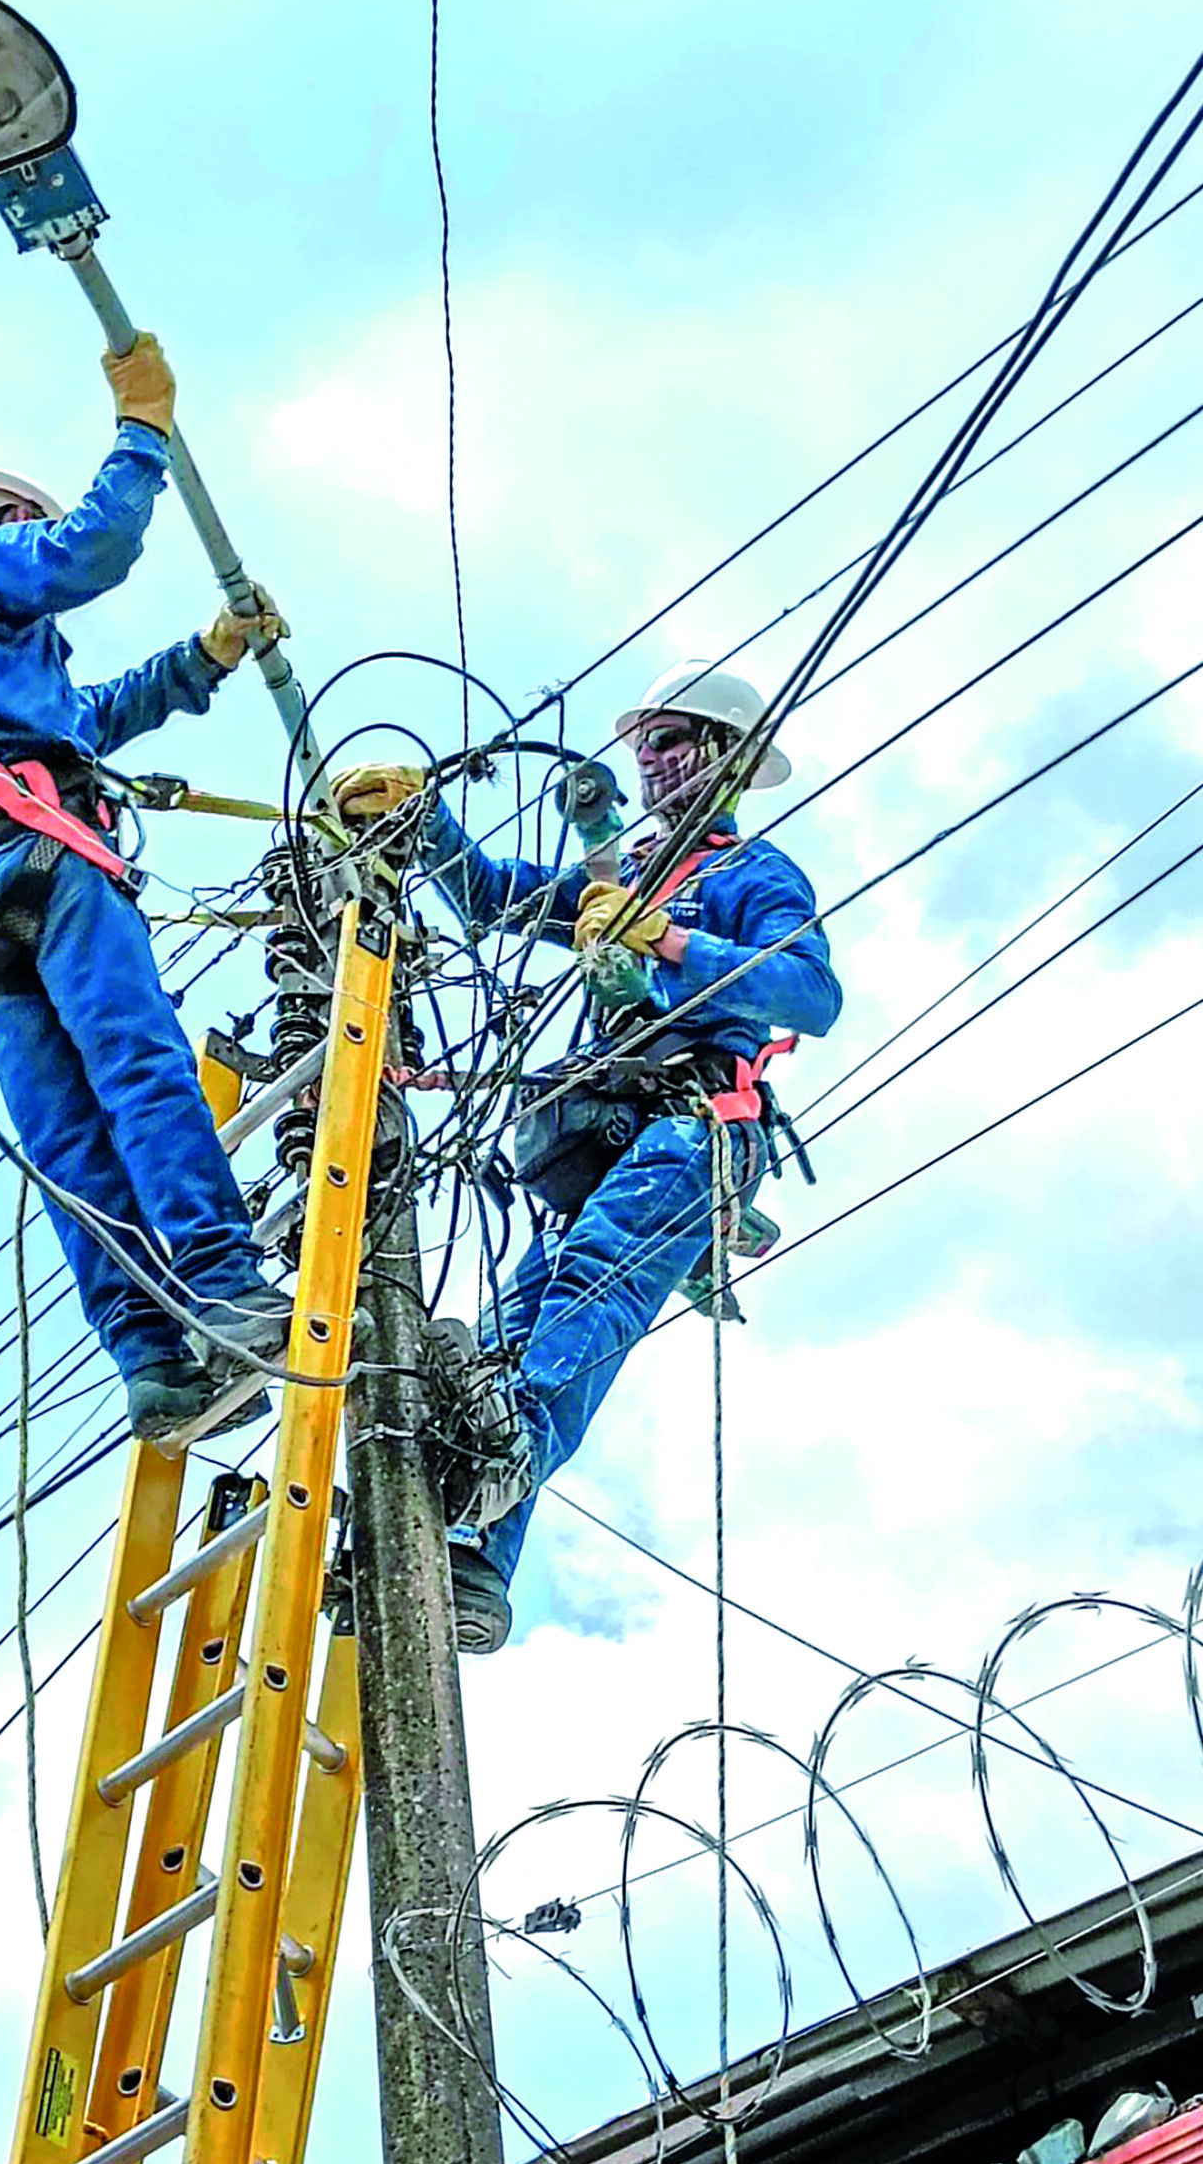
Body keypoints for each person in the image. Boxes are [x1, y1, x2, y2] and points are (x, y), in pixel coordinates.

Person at [334, 661, 843, 1652]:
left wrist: (664, 943)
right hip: (598, 1135)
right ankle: (472, 1560)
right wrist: (425, 825)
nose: (649, 758)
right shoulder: (624, 873)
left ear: (729, 759)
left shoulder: (750, 876)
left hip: (695, 1125)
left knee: (588, 1289)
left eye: (674, 737)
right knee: (507, 1332)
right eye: (644, 739)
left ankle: (501, 1459)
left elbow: (808, 995)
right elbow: (487, 899)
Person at [0, 334, 293, 1441]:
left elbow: (94, 720)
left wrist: (207, 657)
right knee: (141, 1074)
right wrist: (142, 432)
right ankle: (224, 1288)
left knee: (69, 1146)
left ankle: (151, 1362)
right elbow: (95, 545)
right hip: (50, 869)